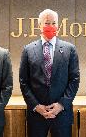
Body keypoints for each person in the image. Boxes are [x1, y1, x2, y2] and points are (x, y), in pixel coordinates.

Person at [19, 9, 80, 137]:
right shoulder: (28, 50)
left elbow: (74, 80)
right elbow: (24, 82)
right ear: (39, 25)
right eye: (47, 23)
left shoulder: (70, 49)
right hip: (36, 114)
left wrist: (61, 104)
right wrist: (36, 106)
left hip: (62, 113)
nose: (51, 26)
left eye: (54, 23)